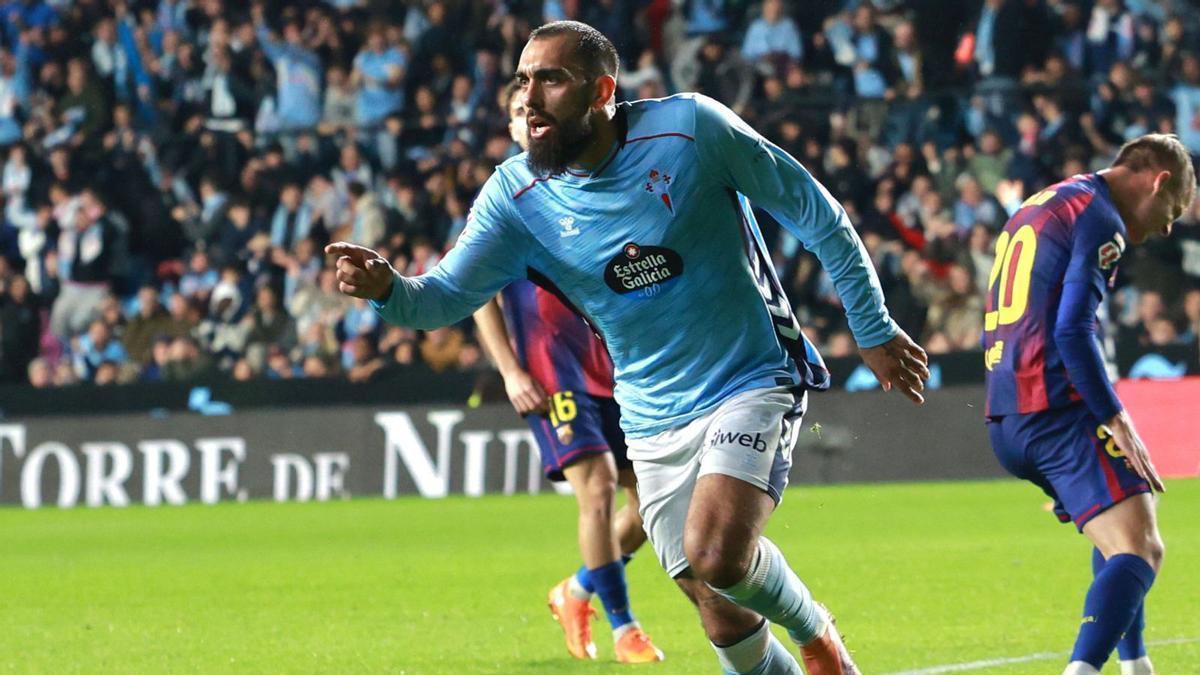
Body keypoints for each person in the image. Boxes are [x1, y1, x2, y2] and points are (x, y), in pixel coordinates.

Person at [328, 21, 928, 675]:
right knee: (713, 597)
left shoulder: (692, 130)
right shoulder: (514, 195)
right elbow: (446, 296)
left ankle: (819, 639)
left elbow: (815, 211)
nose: (529, 96)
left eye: (551, 78)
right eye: (522, 80)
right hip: (648, 412)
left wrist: (871, 328)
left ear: (602, 91)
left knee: (718, 554)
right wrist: (389, 287)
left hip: (751, 373)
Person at [982, 134, 1196, 675]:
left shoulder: (1049, 201)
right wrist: (1115, 417)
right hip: (1054, 403)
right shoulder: (1102, 220)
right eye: (1171, 212)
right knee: (1142, 548)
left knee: (1122, 519)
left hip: (1007, 412)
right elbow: (1074, 329)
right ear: (1158, 181)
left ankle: (1137, 664)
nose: (1167, 228)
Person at [471, 80, 662, 664]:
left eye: (538, 107)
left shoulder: (592, 183)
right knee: (599, 488)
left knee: (656, 505)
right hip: (552, 373)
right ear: (510, 128)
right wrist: (508, 370)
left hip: (616, 369)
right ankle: (625, 627)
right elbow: (475, 293)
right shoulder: (508, 201)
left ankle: (576, 589)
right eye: (518, 112)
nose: (531, 117)